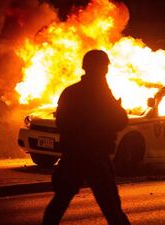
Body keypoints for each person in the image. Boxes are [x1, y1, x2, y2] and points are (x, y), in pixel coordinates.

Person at [43, 50, 130, 225]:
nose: (106, 71)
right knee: (112, 209)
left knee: (59, 202)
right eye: (104, 67)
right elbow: (121, 120)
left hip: (73, 158)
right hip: (96, 158)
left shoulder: (70, 92)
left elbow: (61, 123)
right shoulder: (101, 94)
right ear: (101, 69)